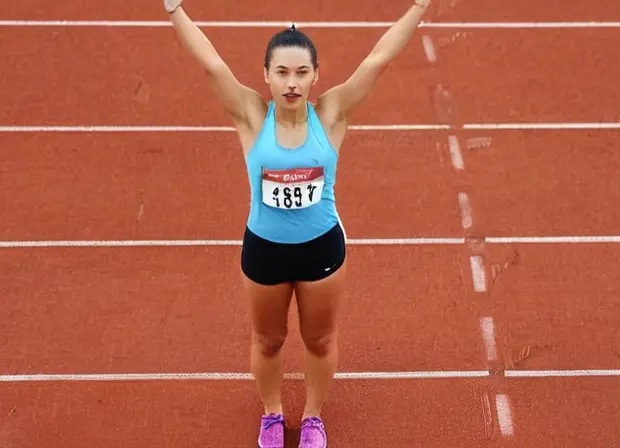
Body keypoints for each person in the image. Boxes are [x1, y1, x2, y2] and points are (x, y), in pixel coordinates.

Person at [163, 1, 433, 446]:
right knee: (268, 340)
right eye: (283, 72)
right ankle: (272, 414)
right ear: (266, 75)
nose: (292, 83)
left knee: (320, 340)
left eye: (302, 72)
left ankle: (312, 418)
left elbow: (378, 59)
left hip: (321, 250)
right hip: (265, 251)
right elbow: (211, 64)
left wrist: (420, 5)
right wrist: (174, 8)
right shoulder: (251, 115)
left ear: (316, 76)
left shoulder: (331, 114)